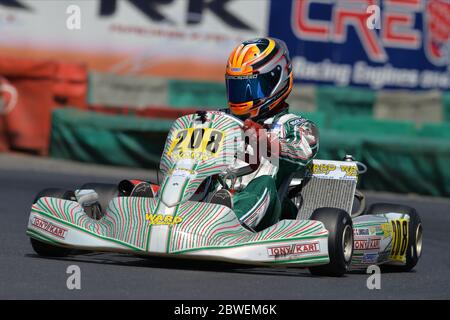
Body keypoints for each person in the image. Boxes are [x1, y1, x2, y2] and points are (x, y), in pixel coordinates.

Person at [214, 37, 319, 231]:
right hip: (217, 194)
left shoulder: (295, 125)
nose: (243, 96)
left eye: (251, 87)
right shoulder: (219, 119)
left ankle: (226, 225)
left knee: (263, 184)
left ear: (276, 80)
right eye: (238, 88)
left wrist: (265, 140)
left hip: (266, 209)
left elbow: (301, 154)